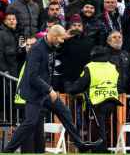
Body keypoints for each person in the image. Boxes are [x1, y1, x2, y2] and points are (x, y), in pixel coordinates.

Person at [2, 25, 102, 153]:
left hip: (44, 92)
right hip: (34, 92)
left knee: (65, 112)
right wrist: (49, 89)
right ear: (54, 37)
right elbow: (32, 76)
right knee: (30, 123)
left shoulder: (51, 45)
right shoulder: (37, 49)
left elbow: (49, 65)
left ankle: (80, 144)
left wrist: (67, 34)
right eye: (61, 39)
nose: (62, 42)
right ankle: (7, 151)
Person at [64, 46, 122, 152]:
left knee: (98, 129)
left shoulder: (90, 67)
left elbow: (80, 85)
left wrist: (68, 87)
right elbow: (120, 83)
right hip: (112, 101)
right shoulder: (113, 66)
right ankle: (103, 149)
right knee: (105, 127)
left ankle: (100, 150)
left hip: (97, 101)